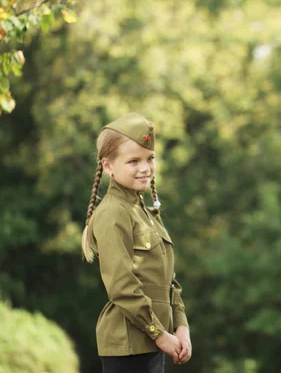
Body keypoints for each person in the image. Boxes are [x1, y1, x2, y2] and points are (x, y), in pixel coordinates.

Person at [81, 112, 192, 373]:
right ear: (108, 166)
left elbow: (169, 280)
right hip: (129, 346)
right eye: (133, 161)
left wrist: (181, 326)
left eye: (150, 158)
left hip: (152, 342)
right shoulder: (112, 212)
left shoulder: (144, 212)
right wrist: (159, 333)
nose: (145, 168)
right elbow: (121, 286)